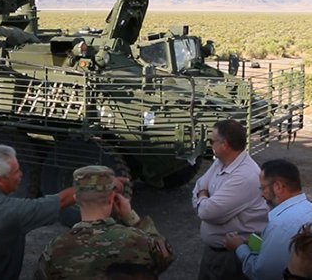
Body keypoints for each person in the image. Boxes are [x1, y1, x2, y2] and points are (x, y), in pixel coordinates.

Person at [0, 145, 128, 280]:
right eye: (16, 171)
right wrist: (104, 183)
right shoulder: (14, 211)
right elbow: (62, 200)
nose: (21, 174)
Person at [35, 165, 174, 279]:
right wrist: (133, 219)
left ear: (76, 199)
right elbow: (166, 257)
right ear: (112, 198)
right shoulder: (139, 240)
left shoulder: (56, 248)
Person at [191, 119, 268, 280]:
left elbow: (207, 212)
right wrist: (203, 197)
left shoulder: (245, 176)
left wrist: (203, 197)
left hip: (230, 258)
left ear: (225, 144)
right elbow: (198, 187)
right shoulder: (220, 162)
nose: (210, 144)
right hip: (214, 253)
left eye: (212, 140)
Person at [224, 159, 312, 280]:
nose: (262, 194)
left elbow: (262, 273)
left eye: (263, 188)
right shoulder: (308, 208)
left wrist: (239, 247)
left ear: (278, 187)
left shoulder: (280, 225)